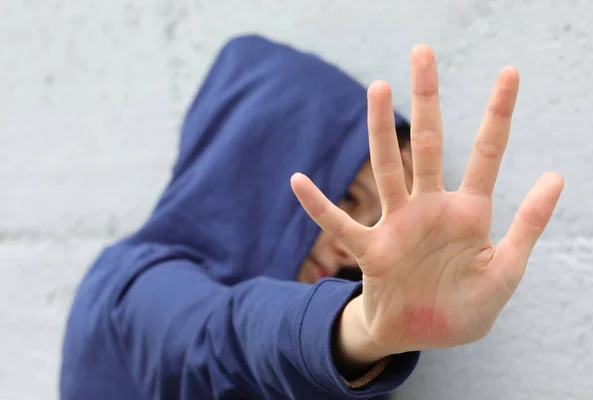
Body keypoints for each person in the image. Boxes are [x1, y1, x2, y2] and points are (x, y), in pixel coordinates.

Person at [59, 35, 564, 400]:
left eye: (378, 215)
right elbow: (222, 339)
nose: (352, 246)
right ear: (255, 162)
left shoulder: (333, 372)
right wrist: (362, 328)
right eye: (347, 198)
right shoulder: (127, 292)